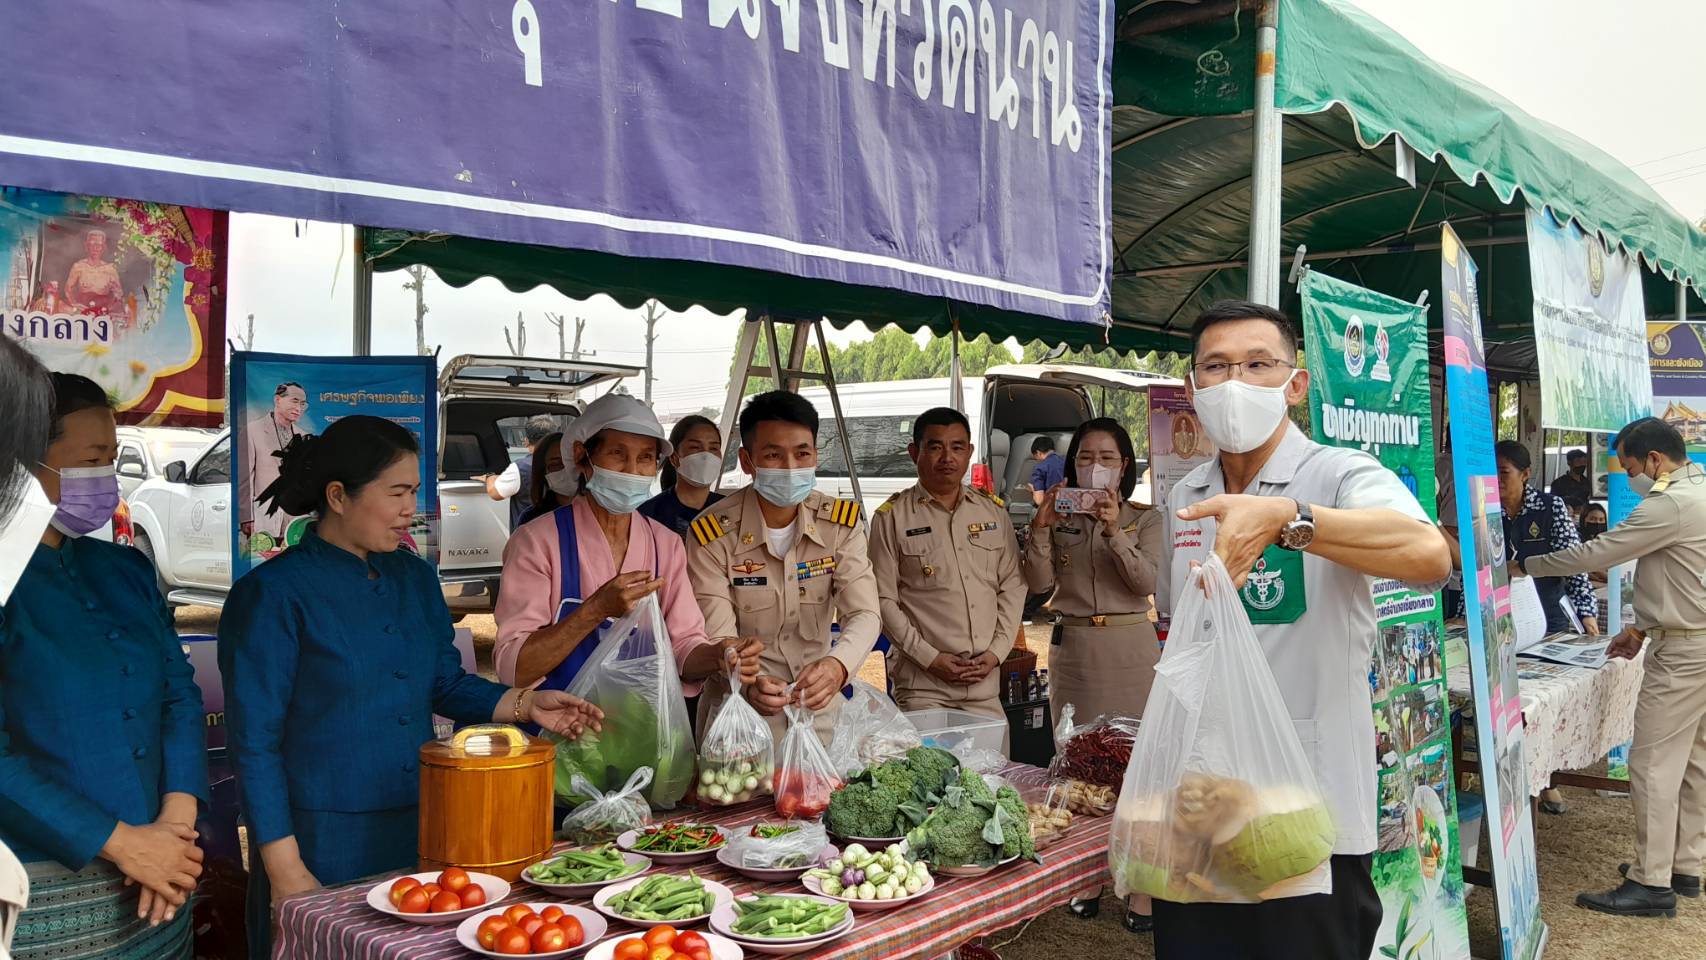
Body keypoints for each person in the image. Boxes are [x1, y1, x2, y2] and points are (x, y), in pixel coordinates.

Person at [219, 415, 604, 956]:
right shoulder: (273, 593)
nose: (411, 509)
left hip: (420, 820)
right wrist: (283, 866)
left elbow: (443, 682)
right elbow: (254, 743)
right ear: (338, 496)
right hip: (321, 836)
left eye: (415, 492)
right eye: (397, 492)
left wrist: (524, 704)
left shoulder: (413, 576)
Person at [1156, 301, 1451, 960]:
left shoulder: (1338, 474)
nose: (1236, 382)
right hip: (1205, 806)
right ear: (1192, 389)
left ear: (1296, 384)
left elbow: (1428, 555)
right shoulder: (1186, 496)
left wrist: (1292, 520)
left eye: (1258, 364)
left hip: (1308, 810)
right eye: (1217, 366)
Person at [2, 374, 207, 958]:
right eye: (90, 459)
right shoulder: (3, 584)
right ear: (19, 462)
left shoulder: (126, 570)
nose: (106, 478)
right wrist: (122, 845)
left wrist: (177, 817)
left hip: (164, 878)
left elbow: (178, 695)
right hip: (40, 890)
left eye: (111, 459)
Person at [1521, 417, 1706, 918]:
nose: (1628, 479)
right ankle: (1683, 866)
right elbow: (1682, 576)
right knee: (1692, 762)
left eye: (1628, 468)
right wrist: (1642, 630)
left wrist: (1523, 566)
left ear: (1654, 460)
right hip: (1692, 639)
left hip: (1685, 654)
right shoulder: (1699, 489)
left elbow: (1599, 551)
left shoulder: (1669, 503)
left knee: (1651, 764)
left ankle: (1652, 885)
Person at [494, 395, 757, 704]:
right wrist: (595, 610)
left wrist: (718, 655)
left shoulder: (665, 545)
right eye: (618, 454)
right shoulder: (537, 542)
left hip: (640, 734)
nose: (632, 470)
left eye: (645, 458)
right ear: (582, 457)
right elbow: (516, 668)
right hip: (556, 735)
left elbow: (684, 645)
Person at [1021, 415, 1162, 933]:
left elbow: (1146, 580)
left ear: (1124, 467)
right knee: (1077, 762)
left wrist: (1112, 528)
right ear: (1071, 464)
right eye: (1085, 457)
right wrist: (1038, 528)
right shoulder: (1060, 517)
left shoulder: (1146, 518)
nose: (1096, 467)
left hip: (1130, 647)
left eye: (1107, 458)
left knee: (1138, 768)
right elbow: (1035, 584)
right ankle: (1086, 883)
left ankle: (1141, 888)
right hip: (1074, 647)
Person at [685, 390, 880, 743]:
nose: (791, 467)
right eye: (773, 455)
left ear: (816, 455)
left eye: (802, 453)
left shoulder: (840, 526)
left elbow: (865, 613)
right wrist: (747, 682)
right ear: (747, 461)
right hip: (738, 725)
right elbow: (716, 634)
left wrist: (838, 667)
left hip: (817, 717)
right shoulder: (712, 533)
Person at [867, 407, 1024, 723]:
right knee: (933, 771)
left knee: (992, 772)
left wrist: (996, 653)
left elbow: (1013, 586)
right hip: (924, 689)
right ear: (915, 452)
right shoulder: (892, 518)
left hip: (985, 687)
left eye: (956, 447)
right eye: (935, 447)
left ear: (969, 452)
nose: (947, 458)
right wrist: (931, 659)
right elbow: (883, 601)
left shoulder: (992, 513)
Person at [1497, 441, 1598, 636]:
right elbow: (1476, 570)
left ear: (1525, 474)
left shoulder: (1550, 507)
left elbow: (1572, 560)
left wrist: (1586, 612)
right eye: (1491, 472)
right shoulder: (1484, 512)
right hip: (1500, 618)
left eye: (1504, 472)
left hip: (1547, 614)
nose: (1496, 479)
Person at [240, 381, 307, 546]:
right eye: (294, 401)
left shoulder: (304, 436)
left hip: (294, 524)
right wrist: (246, 517)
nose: (299, 408)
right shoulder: (252, 431)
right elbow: (244, 479)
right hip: (263, 519)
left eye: (303, 404)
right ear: (277, 400)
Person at [640, 415, 727, 538]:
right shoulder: (649, 514)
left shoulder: (731, 508)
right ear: (675, 458)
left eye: (713, 448)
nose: (706, 456)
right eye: (695, 447)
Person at [481, 414, 558, 531]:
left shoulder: (520, 468)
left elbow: (494, 493)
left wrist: (490, 478)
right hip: (557, 534)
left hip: (528, 539)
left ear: (526, 441)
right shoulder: (566, 464)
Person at [62, 228, 127, 318]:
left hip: (103, 311)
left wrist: (116, 295)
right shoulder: (78, 266)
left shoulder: (110, 269)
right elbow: (68, 289)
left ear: (104, 248)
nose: (95, 248)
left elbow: (119, 293)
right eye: (92, 244)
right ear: (86, 246)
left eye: (99, 245)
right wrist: (74, 303)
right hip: (82, 310)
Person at [515, 431, 568, 528]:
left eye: (570, 460)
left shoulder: (596, 510)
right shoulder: (531, 519)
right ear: (543, 472)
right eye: (556, 464)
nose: (566, 468)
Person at [1027, 436, 1066, 506]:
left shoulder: (1040, 468)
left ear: (1038, 453)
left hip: (1053, 510)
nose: (1037, 460)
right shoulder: (1067, 461)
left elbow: (1039, 500)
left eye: (1035, 457)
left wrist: (1033, 489)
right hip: (1070, 508)